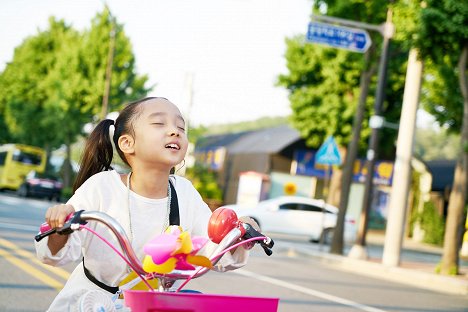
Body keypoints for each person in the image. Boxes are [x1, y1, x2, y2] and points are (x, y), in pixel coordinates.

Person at [35, 97, 253, 311]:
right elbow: (55, 254)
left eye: (181, 127)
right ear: (127, 143)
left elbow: (213, 250)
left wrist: (239, 234)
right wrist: (60, 225)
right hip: (90, 304)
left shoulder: (184, 193)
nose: (174, 131)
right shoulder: (102, 187)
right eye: (159, 123)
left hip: (153, 306)